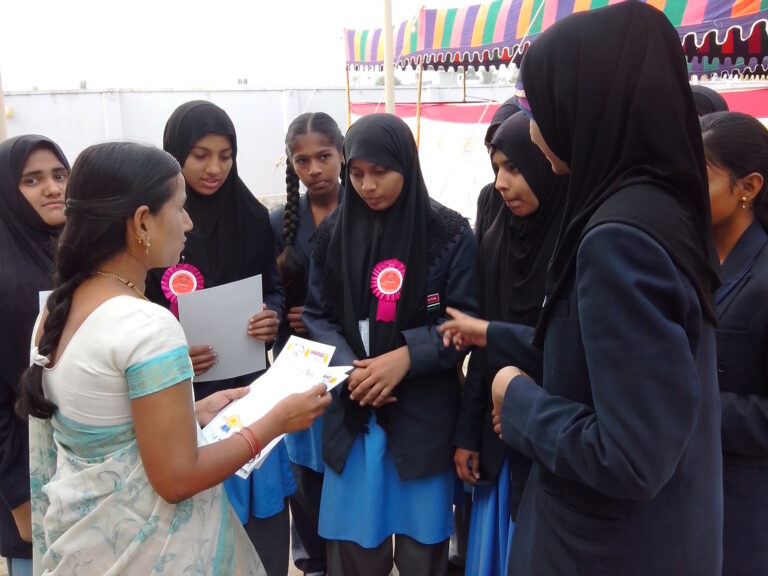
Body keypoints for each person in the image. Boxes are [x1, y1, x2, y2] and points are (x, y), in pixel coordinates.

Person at [17, 141, 330, 575]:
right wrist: (277, 421)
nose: (188, 223)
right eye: (180, 208)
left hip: (86, 546)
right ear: (142, 221)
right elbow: (178, 478)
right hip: (150, 554)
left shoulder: (56, 310)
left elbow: (105, 425)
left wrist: (191, 413)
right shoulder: (147, 325)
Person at [492, 3, 722, 574]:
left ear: (586, 103)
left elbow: (632, 456)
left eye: (539, 108)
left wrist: (516, 397)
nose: (535, 128)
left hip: (604, 549)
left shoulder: (618, 239)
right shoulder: (663, 204)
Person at [303, 113, 478, 576]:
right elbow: (317, 315)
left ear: (406, 163)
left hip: (421, 417)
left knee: (424, 549)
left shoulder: (449, 234)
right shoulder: (330, 235)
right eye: (356, 173)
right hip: (354, 411)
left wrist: (406, 357)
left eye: (380, 172)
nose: (367, 185)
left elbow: (466, 321)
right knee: (357, 550)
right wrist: (351, 369)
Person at [145, 100, 295, 576]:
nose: (214, 169)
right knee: (203, 525)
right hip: (181, 398)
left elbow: (271, 287)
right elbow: (138, 301)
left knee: (266, 522)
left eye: (226, 156)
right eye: (200, 155)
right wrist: (169, 354)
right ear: (175, 156)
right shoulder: (151, 224)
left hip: (250, 389)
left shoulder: (252, 215)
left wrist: (269, 315)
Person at [443, 111, 565, 576]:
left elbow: (564, 347)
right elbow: (484, 353)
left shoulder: (577, 244)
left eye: (514, 168)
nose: (501, 183)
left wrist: (489, 334)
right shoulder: (497, 243)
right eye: (496, 169)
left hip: (552, 437)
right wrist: (467, 435)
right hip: (498, 439)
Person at [270, 111, 344, 576]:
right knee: (304, 468)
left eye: (323, 157)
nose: (314, 169)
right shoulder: (278, 221)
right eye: (302, 160)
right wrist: (282, 315)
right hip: (294, 364)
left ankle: (348, 555)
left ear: (341, 154)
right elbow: (267, 291)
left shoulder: (365, 212)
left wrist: (321, 319)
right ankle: (313, 561)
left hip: (347, 361)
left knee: (343, 462)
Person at [700, 111, 768, 575]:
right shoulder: (683, 256)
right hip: (685, 492)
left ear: (748, 187)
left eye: (699, 176)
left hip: (743, 506)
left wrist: (692, 406)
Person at [0, 135, 69, 576]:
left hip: (87, 463)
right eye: (33, 180)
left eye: (60, 175)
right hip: (26, 475)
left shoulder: (78, 253)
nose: (53, 188)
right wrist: (19, 496)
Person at [474, 98, 521, 243]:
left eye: (512, 166)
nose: (500, 184)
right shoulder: (489, 197)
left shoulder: (562, 213)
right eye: (492, 145)